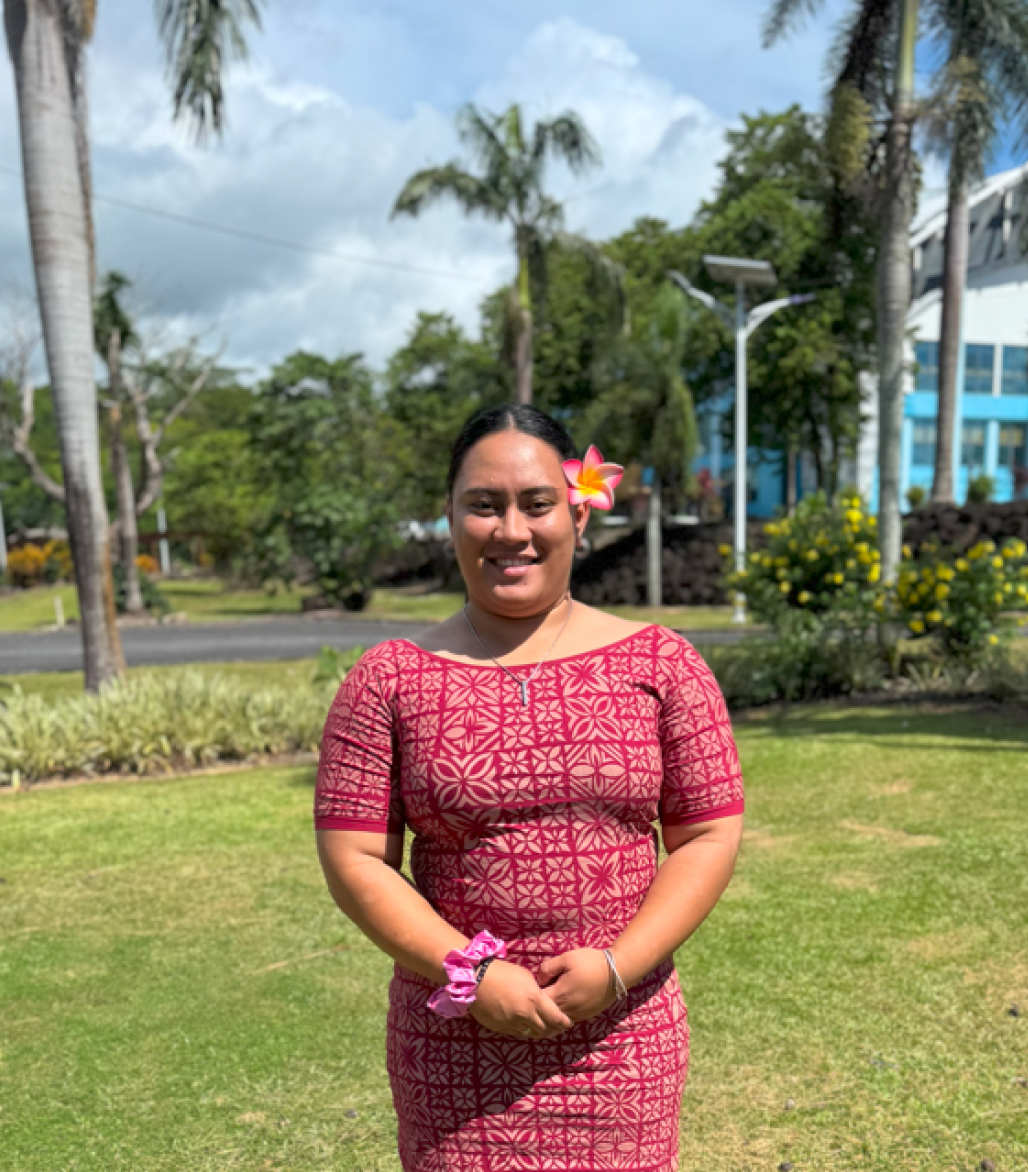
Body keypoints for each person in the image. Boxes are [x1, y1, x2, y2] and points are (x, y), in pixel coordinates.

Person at [314, 403, 744, 1171]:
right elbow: (356, 860)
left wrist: (616, 967)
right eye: (483, 506)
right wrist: (472, 975)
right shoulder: (388, 679)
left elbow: (707, 836)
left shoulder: (663, 664)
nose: (511, 530)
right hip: (454, 1048)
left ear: (578, 514)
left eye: (536, 503)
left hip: (623, 1039)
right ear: (449, 519)